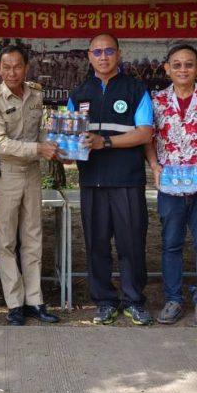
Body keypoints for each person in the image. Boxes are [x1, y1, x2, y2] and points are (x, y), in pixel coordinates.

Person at [67, 33, 155, 326]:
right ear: (89, 56)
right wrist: (64, 149)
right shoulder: (78, 93)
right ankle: (104, 301)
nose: (103, 57)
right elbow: (70, 138)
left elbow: (145, 133)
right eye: (97, 52)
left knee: (131, 244)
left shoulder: (135, 89)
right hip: (91, 180)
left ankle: (134, 301)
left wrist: (104, 142)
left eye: (108, 51)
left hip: (127, 180)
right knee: (96, 245)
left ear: (118, 54)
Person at [145, 43, 197, 326]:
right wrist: (154, 165)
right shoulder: (156, 101)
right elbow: (148, 138)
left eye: (189, 64)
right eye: (177, 65)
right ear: (167, 69)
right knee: (171, 244)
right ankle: (173, 300)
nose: (183, 69)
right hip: (169, 186)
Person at [0, 45, 60, 326]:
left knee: (33, 236)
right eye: (6, 67)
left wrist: (54, 143)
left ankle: (34, 300)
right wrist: (38, 148)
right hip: (7, 174)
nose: (12, 72)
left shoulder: (36, 93)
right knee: (6, 241)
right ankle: (14, 303)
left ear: (26, 67)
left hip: (32, 173)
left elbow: (41, 131)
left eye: (17, 66)